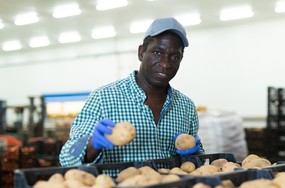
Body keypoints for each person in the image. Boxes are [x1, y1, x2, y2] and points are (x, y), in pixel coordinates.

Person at [59, 17, 204, 167]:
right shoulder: (103, 98)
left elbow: (197, 162)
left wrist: (194, 154)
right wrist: (92, 145)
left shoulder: (186, 106)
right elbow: (67, 159)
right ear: (141, 53)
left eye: (175, 57)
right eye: (158, 53)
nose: (166, 64)